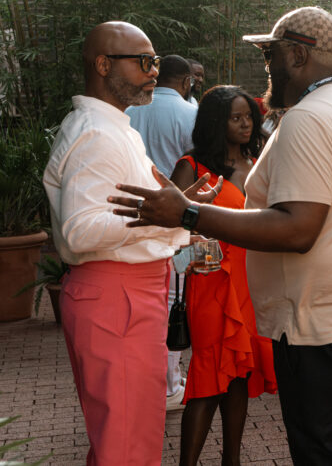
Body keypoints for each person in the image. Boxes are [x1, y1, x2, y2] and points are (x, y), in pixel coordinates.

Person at [110, 7, 332, 464]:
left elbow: (297, 228)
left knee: (330, 454)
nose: (266, 66)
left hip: (328, 327)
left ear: (297, 55)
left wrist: (189, 213)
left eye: (271, 55)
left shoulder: (310, 118)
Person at [43, 21, 217, 465]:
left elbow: (129, 214)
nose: (154, 71)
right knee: (125, 445)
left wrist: (176, 209)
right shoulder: (97, 134)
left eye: (155, 61)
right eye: (143, 61)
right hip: (117, 296)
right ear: (103, 65)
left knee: (131, 436)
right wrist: (160, 215)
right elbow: (80, 230)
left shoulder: (114, 127)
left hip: (126, 294)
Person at [169, 86, 277, 466]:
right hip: (211, 281)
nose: (246, 124)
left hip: (251, 281)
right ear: (216, 122)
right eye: (236, 117)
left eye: (249, 116)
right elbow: (168, 227)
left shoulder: (258, 162)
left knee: (239, 374)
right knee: (207, 381)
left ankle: (232, 460)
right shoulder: (192, 167)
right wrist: (191, 237)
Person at [126, 53, 199, 408]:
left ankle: (150, 377)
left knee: (143, 301)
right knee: (174, 298)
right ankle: (168, 383)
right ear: (185, 82)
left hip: (134, 214)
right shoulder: (190, 113)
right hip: (176, 217)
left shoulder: (129, 111)